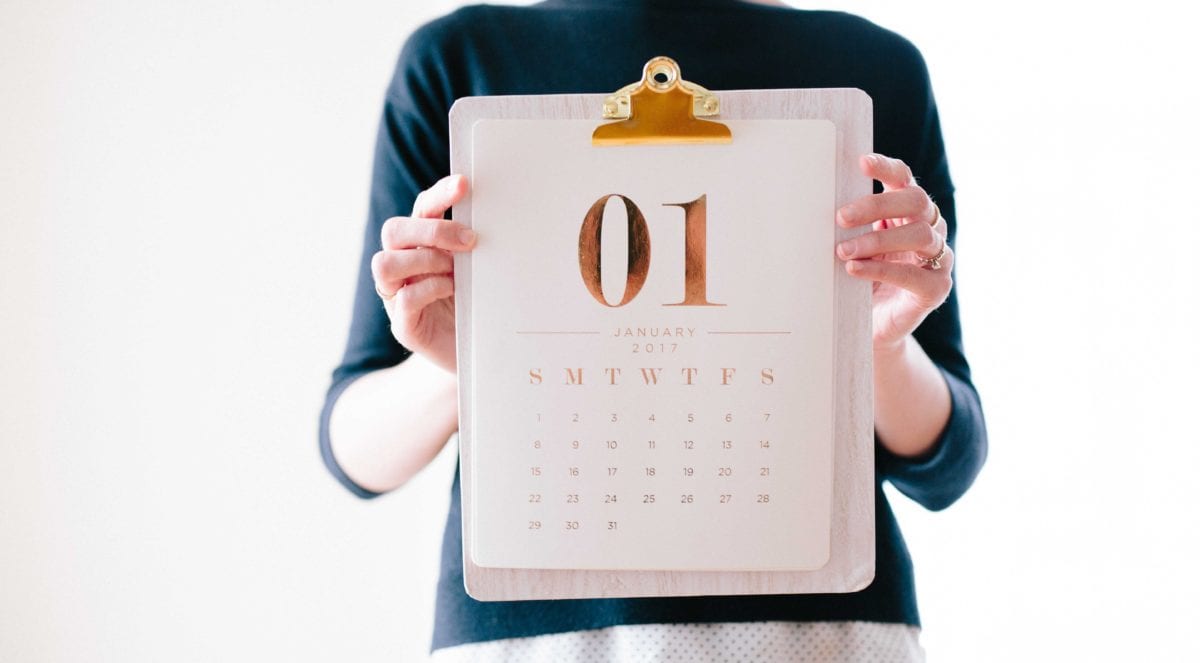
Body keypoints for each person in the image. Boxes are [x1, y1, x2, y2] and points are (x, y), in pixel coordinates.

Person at [318, 1, 987, 660]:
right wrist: (465, 362)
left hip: (820, 630)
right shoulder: (457, 63)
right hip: (531, 634)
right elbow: (352, 449)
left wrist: (880, 342)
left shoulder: (874, 68)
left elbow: (949, 460)